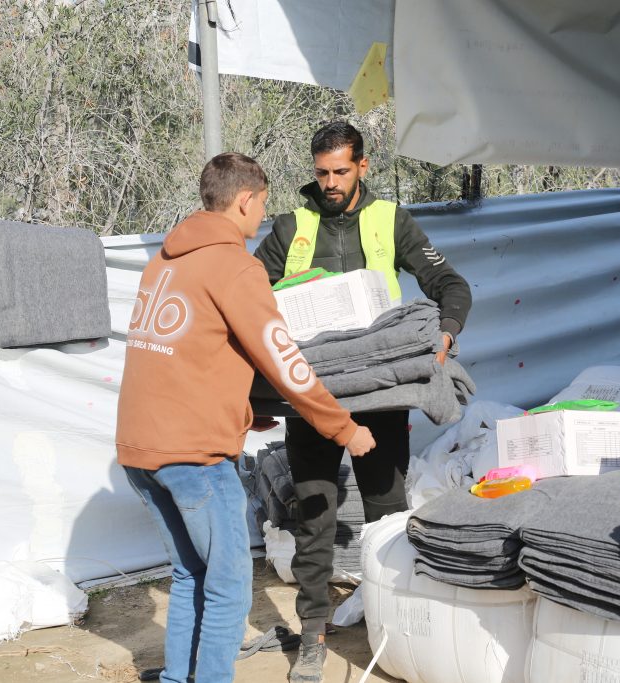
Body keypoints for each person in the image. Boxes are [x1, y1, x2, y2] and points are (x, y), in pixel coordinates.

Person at [115, 153, 376, 683]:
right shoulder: (235, 266)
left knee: (190, 574)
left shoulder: (165, 260)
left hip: (139, 449)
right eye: (261, 205)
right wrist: (343, 427)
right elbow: (284, 361)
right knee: (230, 586)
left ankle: (179, 678)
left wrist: (241, 410)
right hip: (194, 456)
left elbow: (183, 352)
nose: (262, 215)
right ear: (244, 200)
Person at [253, 122, 472, 682]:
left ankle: (390, 628)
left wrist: (444, 335)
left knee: (387, 515)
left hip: (379, 398)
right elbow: (247, 300)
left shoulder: (390, 220)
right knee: (314, 518)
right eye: (321, 172)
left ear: (362, 166)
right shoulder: (290, 228)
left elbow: (451, 285)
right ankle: (312, 636)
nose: (330, 182)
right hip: (312, 397)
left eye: (340, 171)